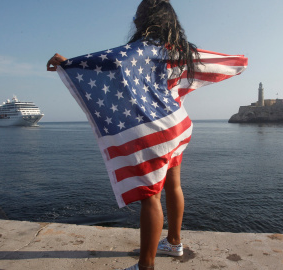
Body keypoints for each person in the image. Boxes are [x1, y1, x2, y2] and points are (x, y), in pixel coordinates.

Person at [47, 1, 247, 269]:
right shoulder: (179, 50)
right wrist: (238, 62)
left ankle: (146, 265)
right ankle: (174, 243)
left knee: (150, 196)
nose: (136, 19)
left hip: (157, 130)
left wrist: (68, 63)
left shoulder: (142, 48)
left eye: (138, 15)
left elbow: (113, 61)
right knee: (173, 185)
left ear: (146, 19)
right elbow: (208, 62)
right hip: (178, 125)